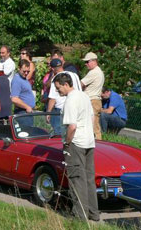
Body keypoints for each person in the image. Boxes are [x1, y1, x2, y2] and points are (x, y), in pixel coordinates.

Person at [53, 73, 99, 222]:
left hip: (76, 143)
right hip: (89, 141)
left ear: (66, 84)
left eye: (58, 88)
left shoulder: (70, 100)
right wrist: (88, 133)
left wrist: (67, 143)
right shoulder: (84, 96)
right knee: (88, 178)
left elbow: (72, 126)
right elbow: (92, 117)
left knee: (76, 179)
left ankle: (80, 215)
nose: (58, 91)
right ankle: (93, 213)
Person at [46, 58, 82, 134]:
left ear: (52, 69)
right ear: (62, 65)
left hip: (60, 110)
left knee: (59, 135)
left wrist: (48, 112)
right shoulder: (74, 75)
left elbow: (53, 98)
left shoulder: (57, 78)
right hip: (75, 108)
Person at [81, 52, 105, 140]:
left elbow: (80, 84)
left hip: (92, 101)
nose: (86, 64)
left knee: (94, 127)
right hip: (94, 101)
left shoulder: (94, 72)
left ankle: (99, 146)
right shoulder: (98, 71)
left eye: (87, 62)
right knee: (93, 126)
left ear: (94, 61)